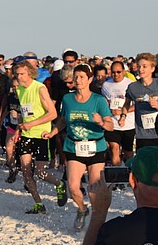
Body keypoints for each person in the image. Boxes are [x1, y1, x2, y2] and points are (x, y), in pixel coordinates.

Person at [43, 64, 114, 231]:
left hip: (95, 146)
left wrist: (101, 122)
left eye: (82, 77)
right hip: (74, 146)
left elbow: (111, 126)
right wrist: (53, 132)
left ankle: (97, 220)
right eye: (76, 77)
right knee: (73, 187)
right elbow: (63, 119)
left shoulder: (98, 100)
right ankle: (82, 209)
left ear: (90, 79)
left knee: (93, 188)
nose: (78, 80)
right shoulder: (68, 99)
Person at [13, 59, 67, 214]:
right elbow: (23, 112)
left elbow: (53, 113)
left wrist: (32, 124)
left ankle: (59, 184)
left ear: (30, 73)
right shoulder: (19, 89)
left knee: (40, 172)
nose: (19, 77)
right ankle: (38, 204)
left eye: (22, 74)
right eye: (17, 74)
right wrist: (19, 128)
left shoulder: (40, 88)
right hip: (26, 134)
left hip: (41, 135)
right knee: (25, 170)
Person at [103, 61, 136, 165]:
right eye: (113, 72)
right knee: (114, 148)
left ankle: (130, 174)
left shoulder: (131, 84)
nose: (116, 74)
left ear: (124, 71)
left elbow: (136, 105)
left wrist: (121, 112)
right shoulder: (106, 85)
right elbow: (104, 102)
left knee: (128, 152)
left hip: (128, 124)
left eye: (118, 72)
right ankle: (117, 174)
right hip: (113, 123)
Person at [124, 53, 158, 149]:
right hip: (142, 134)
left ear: (152, 68)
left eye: (144, 66)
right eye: (139, 66)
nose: (141, 69)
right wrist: (123, 116)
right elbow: (126, 104)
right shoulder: (132, 87)